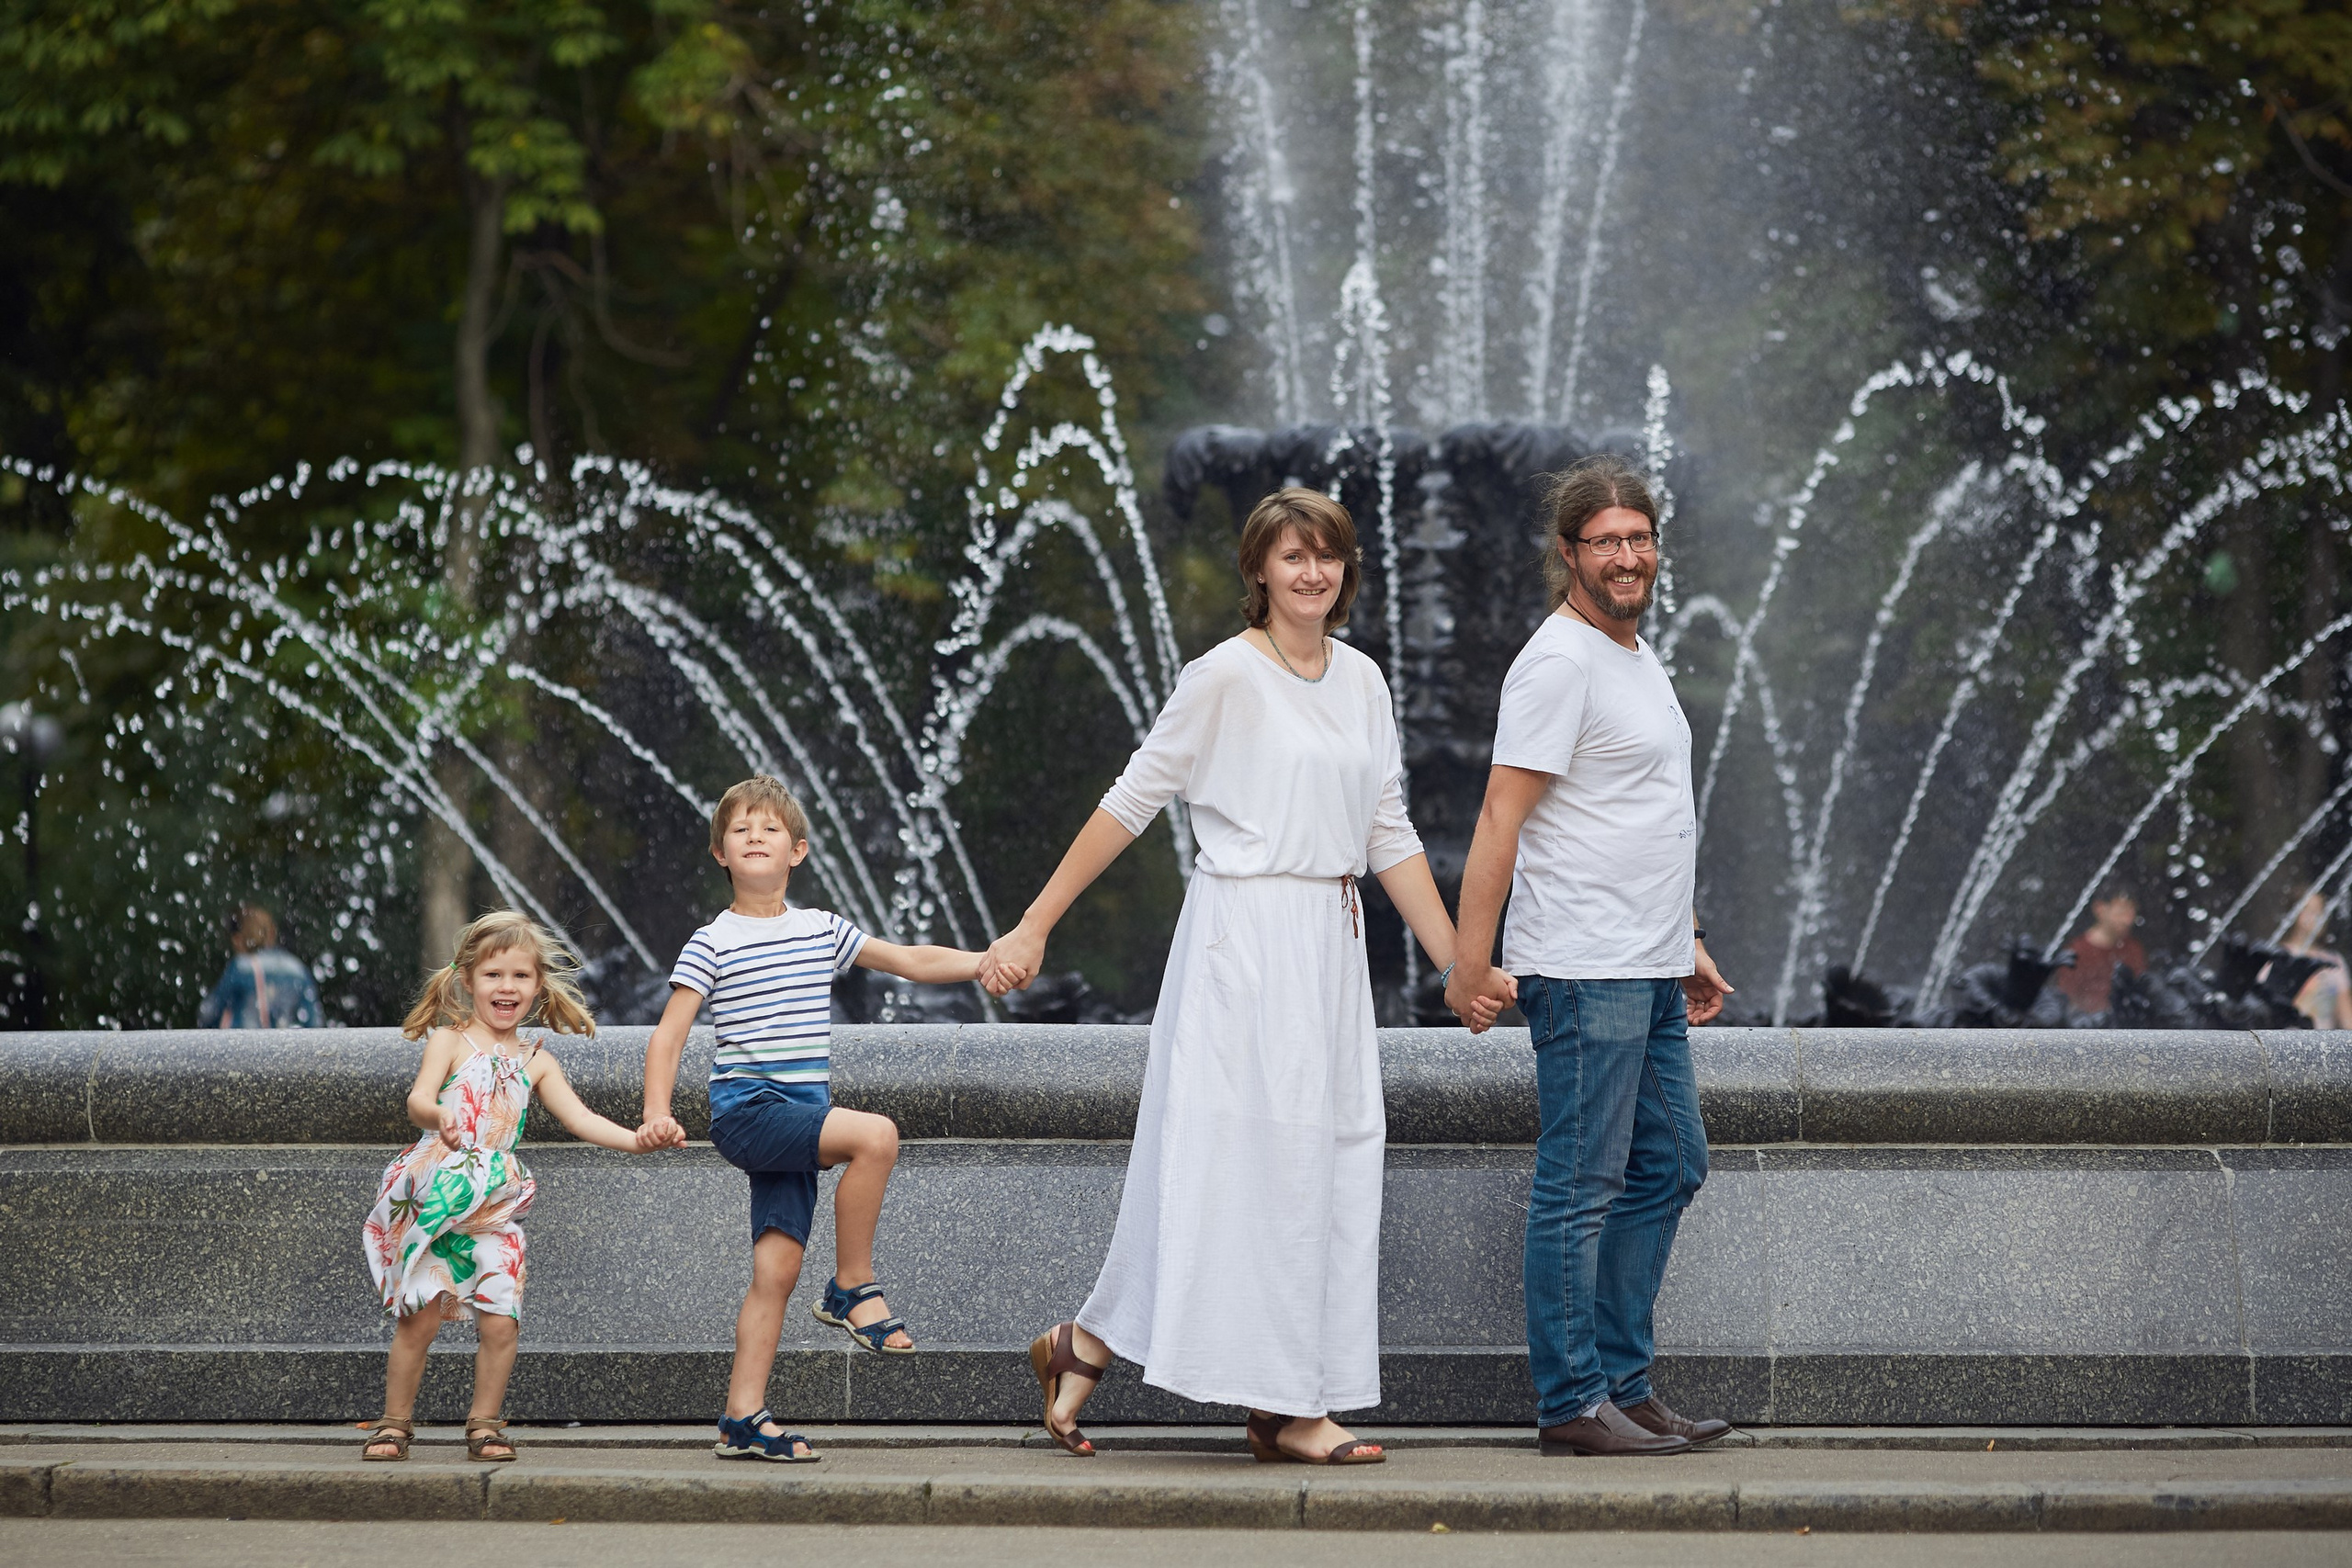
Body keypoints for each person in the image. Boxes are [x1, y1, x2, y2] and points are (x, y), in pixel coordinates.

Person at [982, 488, 1508, 1466]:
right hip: (1243, 939)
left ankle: (1093, 1347)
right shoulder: (1222, 676)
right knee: (1247, 1165)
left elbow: (1386, 832)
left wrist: (1456, 967)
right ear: (1258, 572)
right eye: (1292, 556)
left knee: (1327, 1158)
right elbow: (1132, 800)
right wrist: (1034, 924)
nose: (1312, 573)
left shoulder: (1361, 681)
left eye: (1329, 557)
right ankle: (1281, 1406)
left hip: (1329, 939)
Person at [1445, 453, 1735, 1459]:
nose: (1628, 555)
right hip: (1582, 966)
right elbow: (1498, 820)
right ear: (1567, 552)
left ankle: (1623, 1384)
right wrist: (1466, 966)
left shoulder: (1632, 653)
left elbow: (1645, 812)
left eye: (1640, 537)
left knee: (1672, 1164)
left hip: (1645, 965)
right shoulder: (1559, 661)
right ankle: (1572, 1403)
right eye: (1606, 540)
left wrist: (1685, 939)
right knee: (1579, 1186)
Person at [638, 775, 1001, 1464]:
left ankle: (742, 1417)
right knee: (877, 1134)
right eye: (739, 829)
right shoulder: (711, 940)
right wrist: (658, 1110)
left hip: (797, 1122)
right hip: (747, 1111)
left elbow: (910, 959)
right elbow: (668, 1036)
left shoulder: (819, 929)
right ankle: (851, 1287)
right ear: (719, 852)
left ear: (796, 850)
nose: (753, 836)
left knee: (775, 1270)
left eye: (768, 828)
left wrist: (983, 963)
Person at [360, 911, 675, 1463]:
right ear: (467, 979)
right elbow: (418, 1098)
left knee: (501, 1321)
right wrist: (438, 1116)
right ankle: (394, 1424)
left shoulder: (537, 1061)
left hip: (492, 1206)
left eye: (520, 977)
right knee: (420, 1319)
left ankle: (484, 1424)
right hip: (438, 1196)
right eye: (493, 975)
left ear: (538, 986)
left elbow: (581, 1120)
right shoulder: (450, 1041)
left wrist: (636, 1140)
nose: (506, 987)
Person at [198, 903, 322, 1028]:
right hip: (284, 1045)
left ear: (238, 938)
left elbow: (208, 1013)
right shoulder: (298, 969)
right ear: (272, 932)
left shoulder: (241, 967)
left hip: (246, 1044)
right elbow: (314, 1022)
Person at [2052, 885, 2146, 1017]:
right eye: (2121, 913)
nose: (2127, 920)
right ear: (2100, 909)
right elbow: (2066, 1002)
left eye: (2131, 913)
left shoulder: (2133, 949)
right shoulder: (2076, 952)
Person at [2280, 886, 2352, 1029]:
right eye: (2310, 911)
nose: (2318, 918)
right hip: (2287, 1044)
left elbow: (2346, 1014)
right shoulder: (2278, 957)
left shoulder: (2334, 962)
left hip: (2323, 1046)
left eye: (2321, 912)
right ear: (2294, 913)